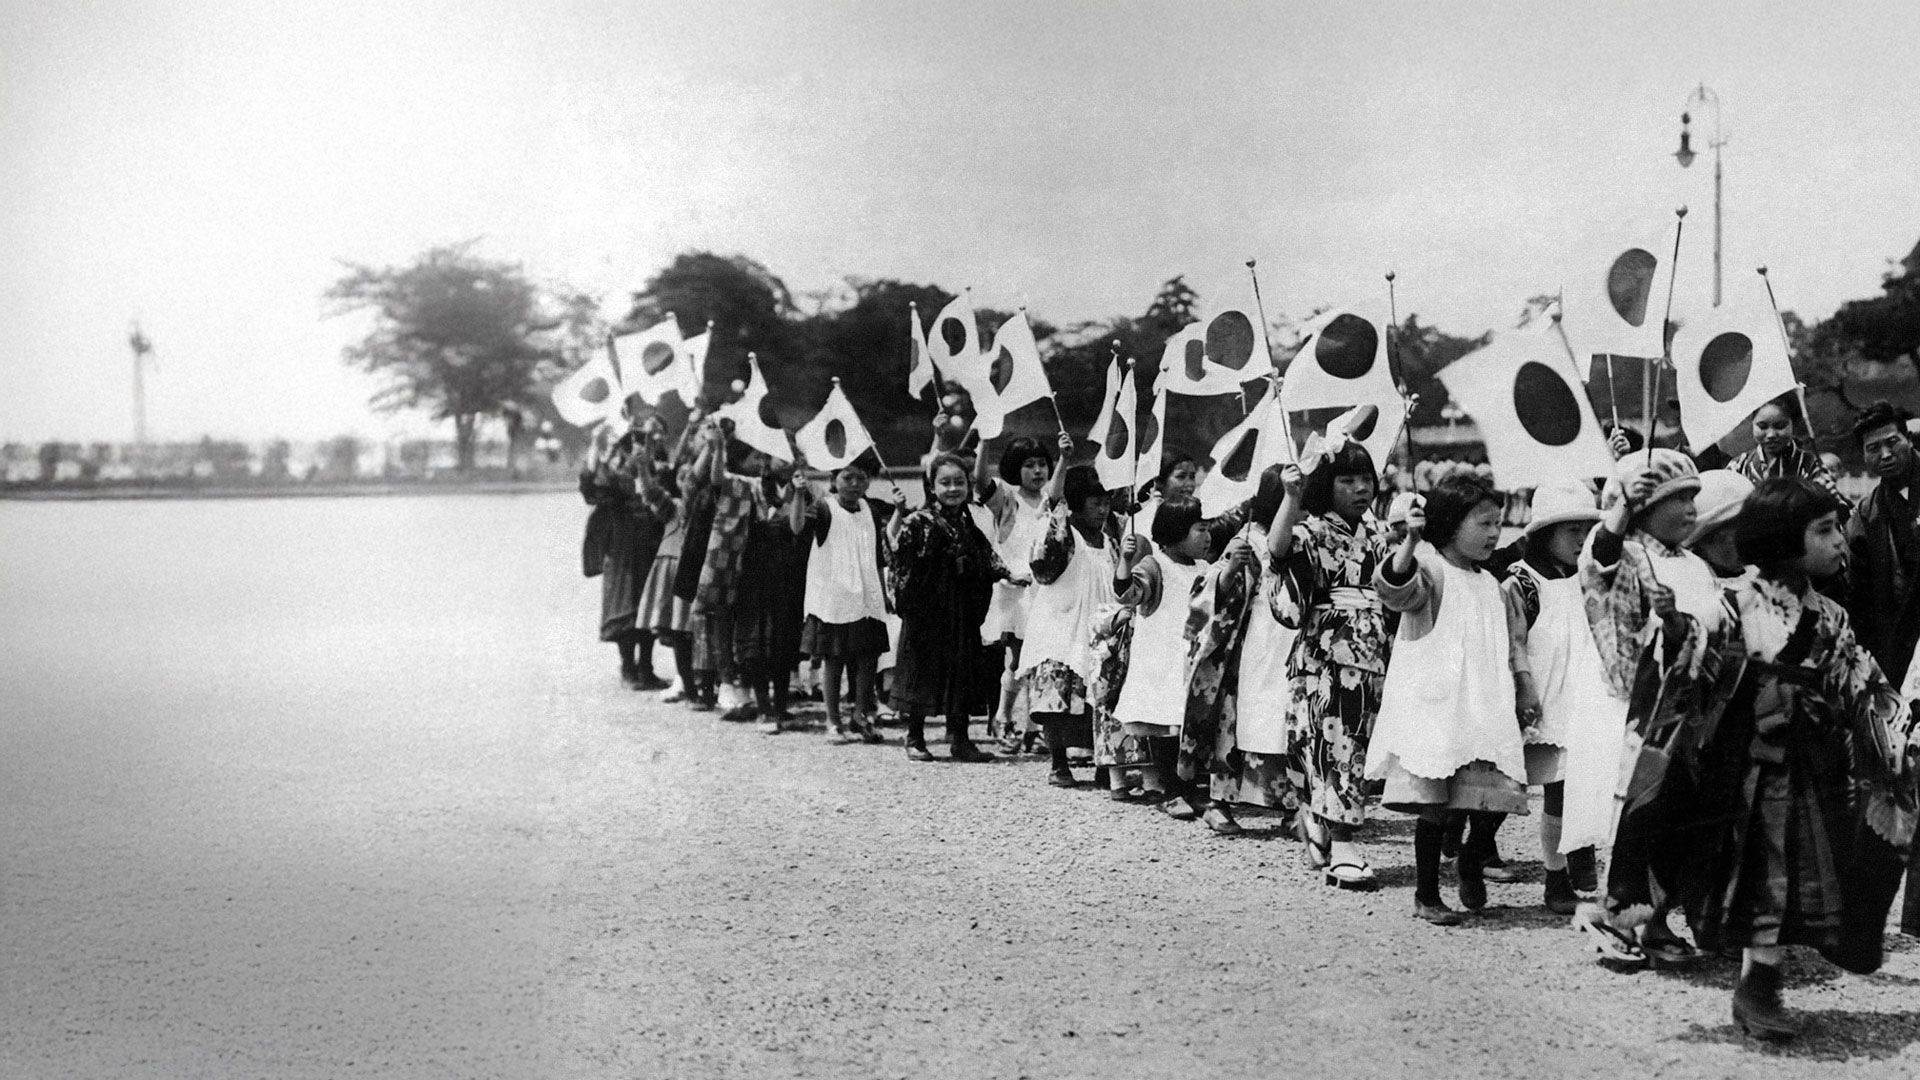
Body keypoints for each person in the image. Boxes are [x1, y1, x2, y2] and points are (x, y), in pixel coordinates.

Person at [1653, 479, 1916, 1039]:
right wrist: (1675, 631)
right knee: (1755, 877)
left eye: (1838, 528)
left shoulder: (1831, 617)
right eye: (1824, 531)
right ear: (1780, 538)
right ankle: (1756, 987)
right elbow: (1689, 680)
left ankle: (1763, 983)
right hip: (1742, 772)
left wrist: (1898, 724)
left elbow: (1863, 688)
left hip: (1813, 769)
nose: (1841, 542)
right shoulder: (1729, 604)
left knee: (1796, 877)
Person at [1573, 449, 1720, 969]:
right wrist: (1619, 515)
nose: (1688, 510)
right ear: (1644, 507)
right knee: (1643, 817)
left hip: (1695, 711)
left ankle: (1658, 918)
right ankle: (1625, 918)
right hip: (1645, 711)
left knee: (1683, 819)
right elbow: (1598, 561)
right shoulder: (1631, 554)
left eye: (1693, 499)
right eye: (1676, 499)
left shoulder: (1697, 564)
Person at [1369, 474, 1532, 926]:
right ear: (1449, 523)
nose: (1494, 533)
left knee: (1496, 797)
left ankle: (1471, 858)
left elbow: (1511, 642)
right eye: (1483, 523)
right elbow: (1396, 591)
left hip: (1484, 703)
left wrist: (1521, 687)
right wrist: (1411, 543)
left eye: (1498, 523)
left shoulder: (1493, 585)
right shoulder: (1431, 568)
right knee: (1436, 807)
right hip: (1438, 706)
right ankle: (1426, 894)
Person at [1269, 439, 1394, 888]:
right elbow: (1280, 551)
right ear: (1328, 485)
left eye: (1367, 479)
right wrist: (1290, 497)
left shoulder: (1379, 533)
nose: (1361, 488)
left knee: (1351, 742)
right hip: (1329, 645)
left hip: (1375, 644)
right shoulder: (1314, 529)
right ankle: (1343, 843)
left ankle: (1319, 821)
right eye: (1348, 480)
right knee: (1336, 742)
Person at [1498, 482, 1608, 914]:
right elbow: (1516, 642)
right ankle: (1482, 851)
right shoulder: (1522, 583)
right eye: (1571, 532)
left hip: (1578, 696)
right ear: (1545, 534)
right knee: (1524, 787)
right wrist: (1524, 685)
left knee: (1571, 785)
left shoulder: (1587, 579)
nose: (1582, 541)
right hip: (1539, 696)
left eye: (1587, 530)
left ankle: (1564, 866)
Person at [889, 453, 1027, 761]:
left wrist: (1009, 574)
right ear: (932, 485)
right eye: (945, 483)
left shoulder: (968, 521)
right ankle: (915, 736)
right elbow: (901, 567)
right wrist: (906, 605)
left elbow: (985, 555)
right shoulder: (917, 522)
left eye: (959, 482)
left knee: (961, 670)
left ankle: (960, 739)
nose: (953, 489)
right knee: (921, 669)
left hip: (960, 607)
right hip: (926, 609)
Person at [1181, 464, 1294, 835]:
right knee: (1235, 718)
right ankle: (1219, 801)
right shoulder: (1249, 539)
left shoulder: (1301, 535)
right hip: (1249, 642)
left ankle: (1293, 806)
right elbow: (1212, 591)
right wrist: (1230, 570)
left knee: (1285, 720)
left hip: (1288, 640)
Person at [1018, 463, 1121, 787]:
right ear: (1078, 502)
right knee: (1058, 696)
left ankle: (1105, 763)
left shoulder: (1108, 540)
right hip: (1061, 622)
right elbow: (1043, 568)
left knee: (1102, 694)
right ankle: (1059, 762)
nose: (1103, 509)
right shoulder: (1065, 532)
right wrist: (1057, 517)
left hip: (1097, 623)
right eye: (1095, 503)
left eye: (1106, 502)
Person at [1111, 495, 1214, 818]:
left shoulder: (1205, 568)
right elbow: (1128, 594)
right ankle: (1170, 790)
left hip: (1192, 659)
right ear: (1175, 532)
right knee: (1166, 729)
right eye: (1200, 529)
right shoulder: (1155, 565)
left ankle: (1189, 789)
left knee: (1189, 728)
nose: (1207, 536)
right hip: (1161, 659)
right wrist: (1125, 562)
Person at [793, 454, 904, 743]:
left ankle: (860, 715)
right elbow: (796, 527)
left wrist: (882, 592)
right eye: (847, 477)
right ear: (834, 480)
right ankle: (833, 720)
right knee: (835, 659)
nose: (855, 484)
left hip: (867, 594)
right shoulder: (824, 508)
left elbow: (878, 556)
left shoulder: (870, 509)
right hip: (834, 597)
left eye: (861, 478)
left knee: (869, 658)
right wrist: (798, 493)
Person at [980, 435, 1069, 746]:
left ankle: (1033, 726)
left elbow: (1056, 495)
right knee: (1017, 660)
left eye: (1042, 464)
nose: (1037, 471)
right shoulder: (1007, 499)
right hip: (1015, 590)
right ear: (1014, 469)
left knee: (1040, 660)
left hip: (1043, 590)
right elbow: (980, 481)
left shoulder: (1050, 502)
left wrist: (1064, 458)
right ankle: (1003, 717)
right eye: (1028, 465)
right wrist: (984, 443)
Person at [579, 420, 673, 690]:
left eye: (641, 444)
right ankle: (628, 667)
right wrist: (597, 451)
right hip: (621, 549)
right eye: (630, 445)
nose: (636, 450)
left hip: (649, 545)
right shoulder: (611, 476)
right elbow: (591, 489)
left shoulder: (655, 472)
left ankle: (646, 667)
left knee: (648, 605)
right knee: (624, 608)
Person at [731, 454, 809, 732]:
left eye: (794, 455)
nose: (790, 460)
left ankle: (780, 707)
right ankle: (764, 708)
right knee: (757, 640)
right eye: (783, 455)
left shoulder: (803, 489)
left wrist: (799, 493)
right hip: (755, 574)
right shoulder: (751, 486)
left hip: (787, 575)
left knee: (783, 640)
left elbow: (797, 527)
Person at [1726, 394, 1848, 513]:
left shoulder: (1810, 464)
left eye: (1780, 426)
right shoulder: (1738, 465)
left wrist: (1827, 498)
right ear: (1752, 423)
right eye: (1762, 426)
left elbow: (1835, 512)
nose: (1771, 435)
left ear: (1792, 424)